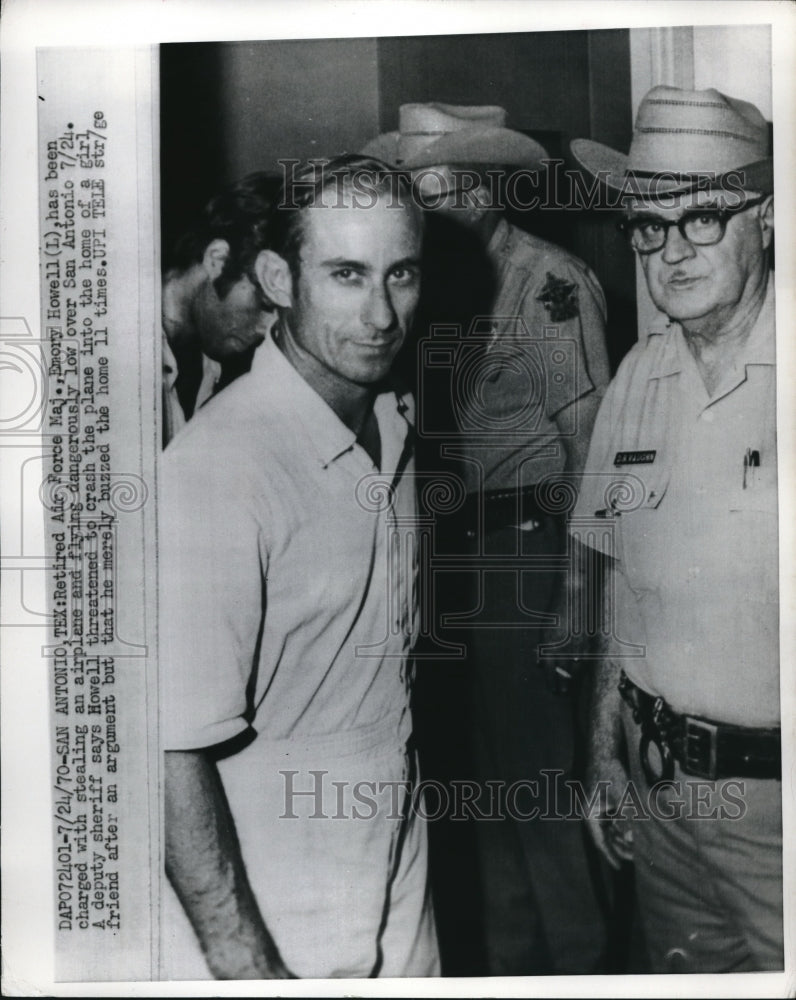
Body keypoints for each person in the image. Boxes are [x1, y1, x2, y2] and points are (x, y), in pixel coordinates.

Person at [160, 154, 440, 979]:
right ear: (279, 278)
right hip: (272, 871)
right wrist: (243, 958)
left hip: (397, 841)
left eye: (402, 274)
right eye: (347, 274)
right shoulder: (220, 468)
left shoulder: (393, 425)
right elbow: (170, 750)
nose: (382, 313)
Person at [364, 103, 610, 974]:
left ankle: (578, 969)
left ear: (480, 186)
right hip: (448, 555)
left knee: (540, 798)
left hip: (525, 551)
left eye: (432, 187)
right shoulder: (421, 285)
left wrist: (576, 602)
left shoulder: (549, 283)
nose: (419, 207)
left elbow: (594, 451)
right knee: (475, 802)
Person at [569, 85, 781, 973]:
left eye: (703, 217)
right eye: (650, 226)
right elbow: (623, 580)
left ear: (763, 219)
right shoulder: (637, 377)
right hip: (659, 797)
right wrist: (604, 759)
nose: (673, 251)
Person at [161, 172, 278, 445]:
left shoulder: (215, 362)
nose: (269, 328)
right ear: (218, 260)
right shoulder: (111, 345)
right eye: (264, 304)